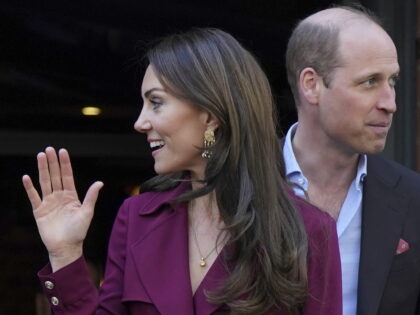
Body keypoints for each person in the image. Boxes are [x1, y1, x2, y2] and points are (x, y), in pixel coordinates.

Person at [22, 28, 341, 314]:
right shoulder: (135, 218)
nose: (140, 122)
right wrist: (65, 254)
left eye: (156, 102)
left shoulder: (308, 230)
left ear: (210, 115)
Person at [284, 4, 420, 315]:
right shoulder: (240, 184)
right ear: (311, 84)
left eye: (393, 82)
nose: (390, 103)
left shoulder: (414, 198)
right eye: (370, 81)